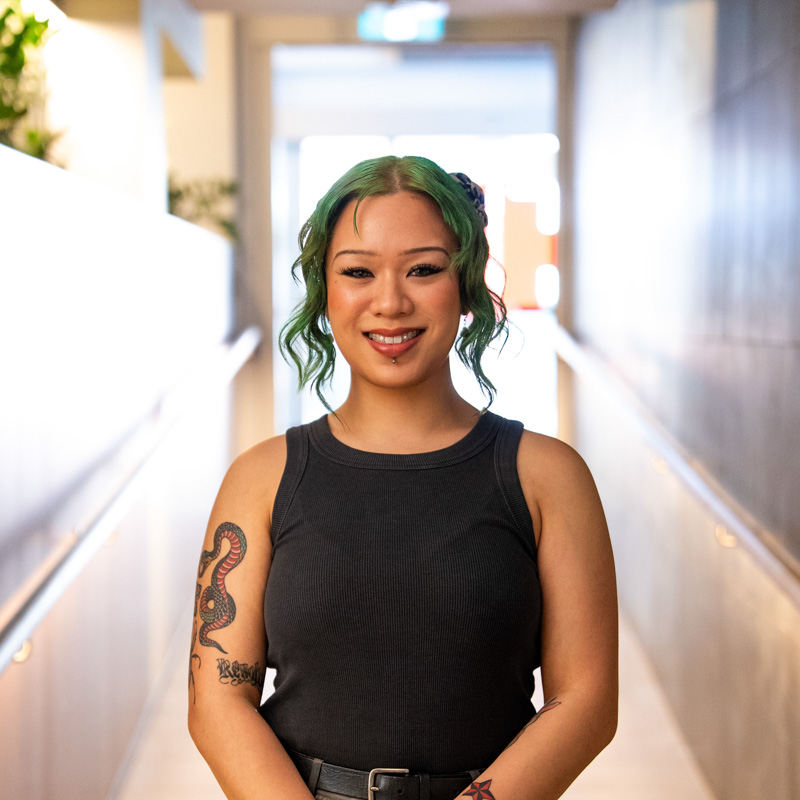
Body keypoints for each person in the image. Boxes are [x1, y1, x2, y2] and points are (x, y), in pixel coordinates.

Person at [188, 155, 618, 800]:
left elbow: (585, 701)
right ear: (324, 292)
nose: (389, 302)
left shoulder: (546, 476)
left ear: (467, 283)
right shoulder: (261, 477)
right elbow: (219, 700)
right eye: (358, 272)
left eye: (424, 269)